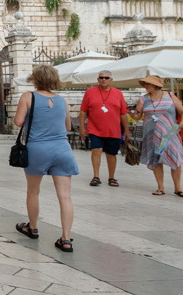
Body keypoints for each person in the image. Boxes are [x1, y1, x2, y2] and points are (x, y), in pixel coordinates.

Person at [13, 65, 79, 252]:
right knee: (65, 196)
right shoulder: (62, 100)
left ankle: (32, 227)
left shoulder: (28, 97)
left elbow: (18, 122)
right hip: (62, 150)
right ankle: (66, 239)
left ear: (35, 79)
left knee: (33, 191)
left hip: (37, 149)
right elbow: (67, 127)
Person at [133, 75, 183, 198]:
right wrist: (133, 113)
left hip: (170, 134)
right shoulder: (143, 99)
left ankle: (178, 188)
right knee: (156, 160)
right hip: (151, 134)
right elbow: (137, 117)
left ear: (155, 85)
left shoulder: (170, 96)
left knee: (175, 158)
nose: (145, 86)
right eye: (145, 84)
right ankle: (160, 187)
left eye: (148, 84)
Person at [79, 71, 131, 187]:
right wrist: (82, 128)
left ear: (111, 80)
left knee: (111, 154)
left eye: (106, 78)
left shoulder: (118, 93)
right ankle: (96, 176)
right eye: (101, 78)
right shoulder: (90, 92)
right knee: (96, 150)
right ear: (98, 79)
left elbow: (123, 113)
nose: (103, 80)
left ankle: (111, 177)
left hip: (113, 129)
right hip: (94, 128)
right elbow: (83, 111)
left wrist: (126, 130)